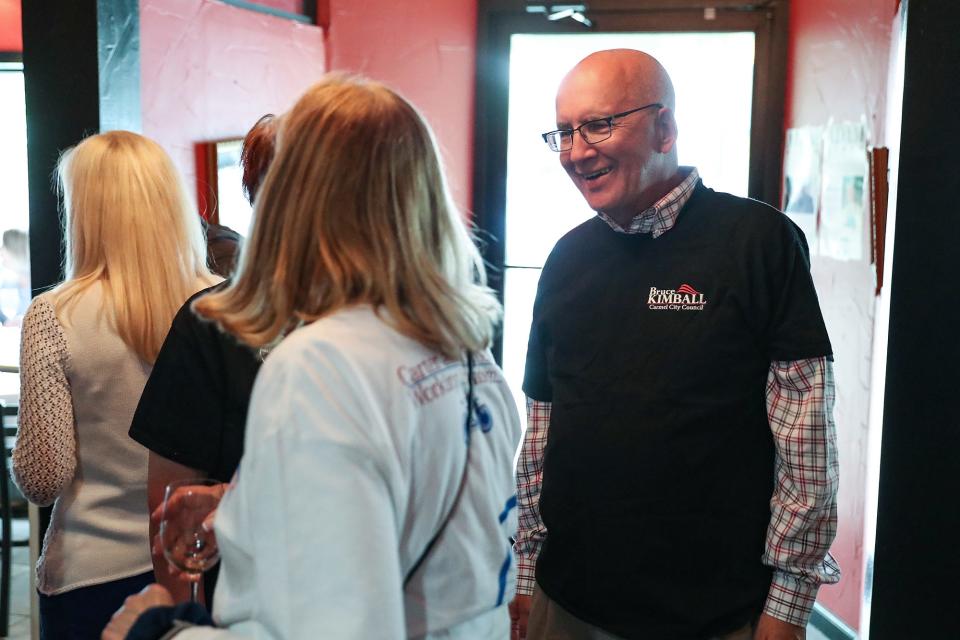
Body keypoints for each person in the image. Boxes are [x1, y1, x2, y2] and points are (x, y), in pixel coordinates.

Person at [103, 74, 522, 639]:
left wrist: (163, 633)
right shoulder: (465, 352)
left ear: (291, 203)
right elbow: (403, 518)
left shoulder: (322, 366)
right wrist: (242, 504)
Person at [510, 49, 839, 640]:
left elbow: (806, 440)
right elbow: (541, 431)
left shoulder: (758, 242)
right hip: (570, 603)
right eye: (563, 132)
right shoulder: (565, 258)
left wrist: (787, 608)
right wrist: (528, 576)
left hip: (717, 613)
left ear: (665, 128)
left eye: (599, 124)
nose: (577, 150)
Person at [12, 130, 217, 639]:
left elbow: (43, 478)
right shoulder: (225, 306)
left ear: (86, 211)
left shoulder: (54, 316)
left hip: (90, 570)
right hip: (201, 561)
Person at [128, 114, 277, 605]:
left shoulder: (376, 319)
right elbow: (172, 508)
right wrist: (179, 622)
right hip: (242, 602)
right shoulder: (211, 319)